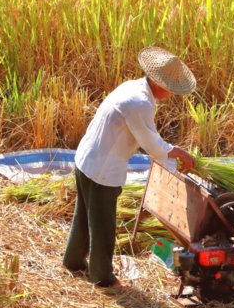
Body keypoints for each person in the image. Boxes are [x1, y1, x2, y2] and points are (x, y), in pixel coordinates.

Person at [63, 46, 196, 288]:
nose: (172, 94)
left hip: (87, 158)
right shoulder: (139, 102)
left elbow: (148, 139)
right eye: (172, 89)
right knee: (103, 225)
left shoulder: (132, 87)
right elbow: (152, 145)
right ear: (160, 83)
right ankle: (102, 277)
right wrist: (177, 152)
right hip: (102, 167)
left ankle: (73, 262)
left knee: (83, 215)